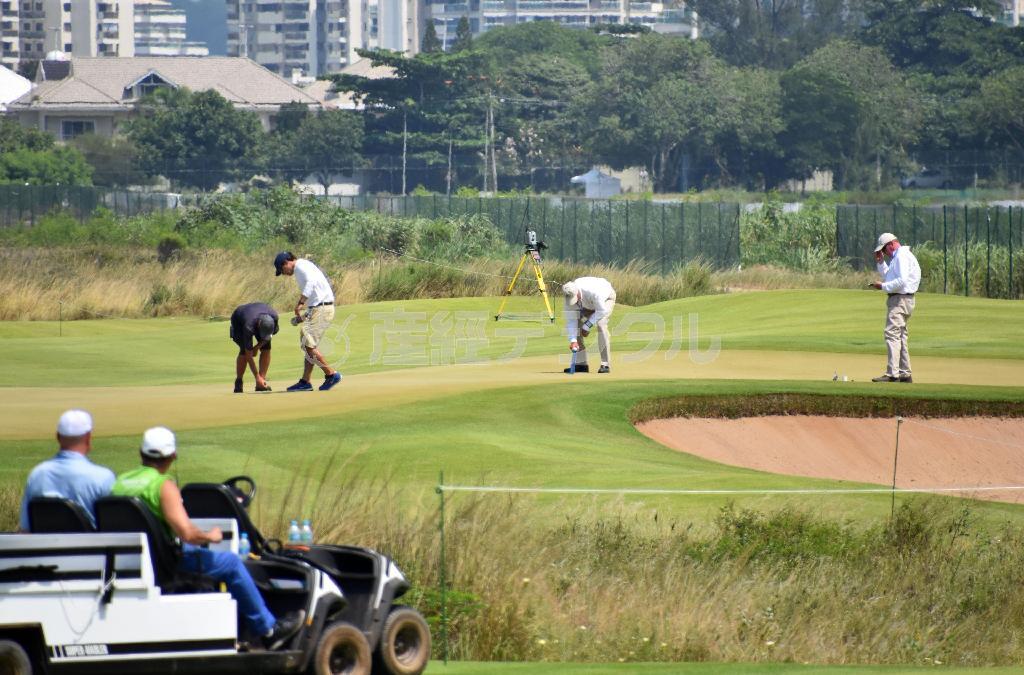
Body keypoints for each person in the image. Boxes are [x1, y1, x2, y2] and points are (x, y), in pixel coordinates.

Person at [111, 426, 302, 649]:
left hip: (127, 561)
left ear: (140, 453)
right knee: (230, 563)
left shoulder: (119, 483)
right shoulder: (163, 486)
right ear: (173, 456)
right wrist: (210, 536)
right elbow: (187, 534)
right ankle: (268, 631)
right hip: (165, 562)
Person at [19, 409, 115, 531]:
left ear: (58, 437)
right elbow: (112, 530)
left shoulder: (37, 474)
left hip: (47, 548)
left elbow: (26, 529)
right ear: (88, 437)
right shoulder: (103, 477)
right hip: (88, 549)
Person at [273, 252, 342, 392]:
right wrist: (303, 317)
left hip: (322, 308)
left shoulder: (300, 266)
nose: (284, 274)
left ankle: (331, 374)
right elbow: (316, 297)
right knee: (309, 346)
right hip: (319, 308)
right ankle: (305, 381)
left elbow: (311, 283)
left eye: (282, 270)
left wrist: (300, 303)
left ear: (287, 262)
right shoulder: (304, 266)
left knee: (307, 340)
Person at [870, 232, 921, 383]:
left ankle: (892, 373)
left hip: (900, 299)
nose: (884, 253)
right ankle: (905, 374)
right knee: (901, 336)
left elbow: (901, 281)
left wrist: (882, 286)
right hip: (904, 299)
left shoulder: (901, 256)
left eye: (884, 250)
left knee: (891, 334)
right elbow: (890, 276)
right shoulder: (899, 256)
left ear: (891, 244)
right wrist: (880, 263)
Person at [562, 277, 616, 374]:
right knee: (577, 326)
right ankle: (581, 364)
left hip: (606, 300)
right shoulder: (568, 295)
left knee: (601, 324)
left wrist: (587, 326)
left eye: (574, 298)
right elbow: (571, 320)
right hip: (586, 304)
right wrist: (573, 340)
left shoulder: (593, 292)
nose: (572, 301)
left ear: (577, 292)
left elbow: (601, 311)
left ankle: (605, 364)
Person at [230, 302, 279, 393]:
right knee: (244, 351)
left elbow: (269, 336)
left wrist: (257, 347)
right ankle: (239, 381)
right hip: (239, 320)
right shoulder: (249, 326)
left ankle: (261, 382)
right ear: (258, 325)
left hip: (256, 315)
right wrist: (256, 377)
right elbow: (249, 355)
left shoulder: (274, 318)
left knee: (266, 348)